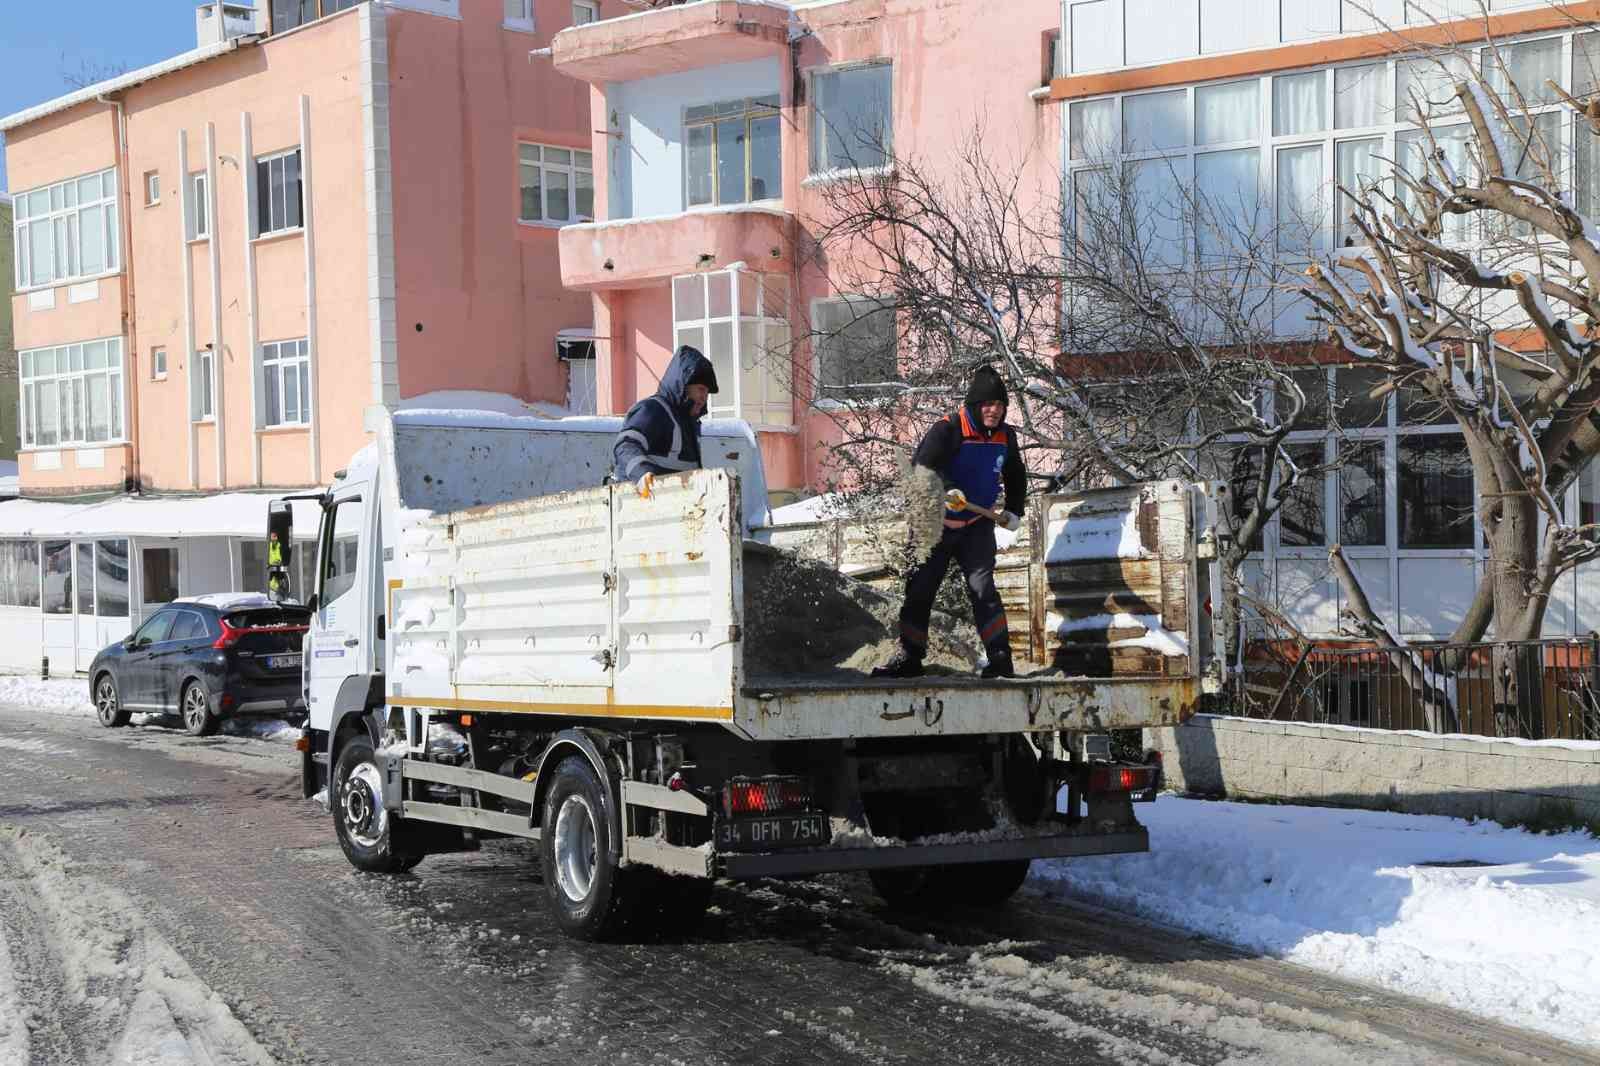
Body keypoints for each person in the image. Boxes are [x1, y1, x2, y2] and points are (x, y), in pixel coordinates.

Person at [874, 365, 1027, 680]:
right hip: (934, 524)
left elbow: (1014, 473)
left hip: (975, 526)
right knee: (921, 590)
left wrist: (1014, 509)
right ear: (974, 405)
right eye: (988, 404)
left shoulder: (1006, 436)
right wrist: (945, 489)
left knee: (983, 590)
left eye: (999, 405)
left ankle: (1000, 660)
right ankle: (910, 656)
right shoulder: (949, 428)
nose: (994, 411)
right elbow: (921, 467)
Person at [613, 345, 720, 497]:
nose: (704, 397)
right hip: (641, 502)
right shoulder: (653, 410)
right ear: (684, 384)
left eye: (707, 393)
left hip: (673, 506)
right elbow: (626, 445)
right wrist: (642, 473)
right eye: (701, 389)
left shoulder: (688, 424)